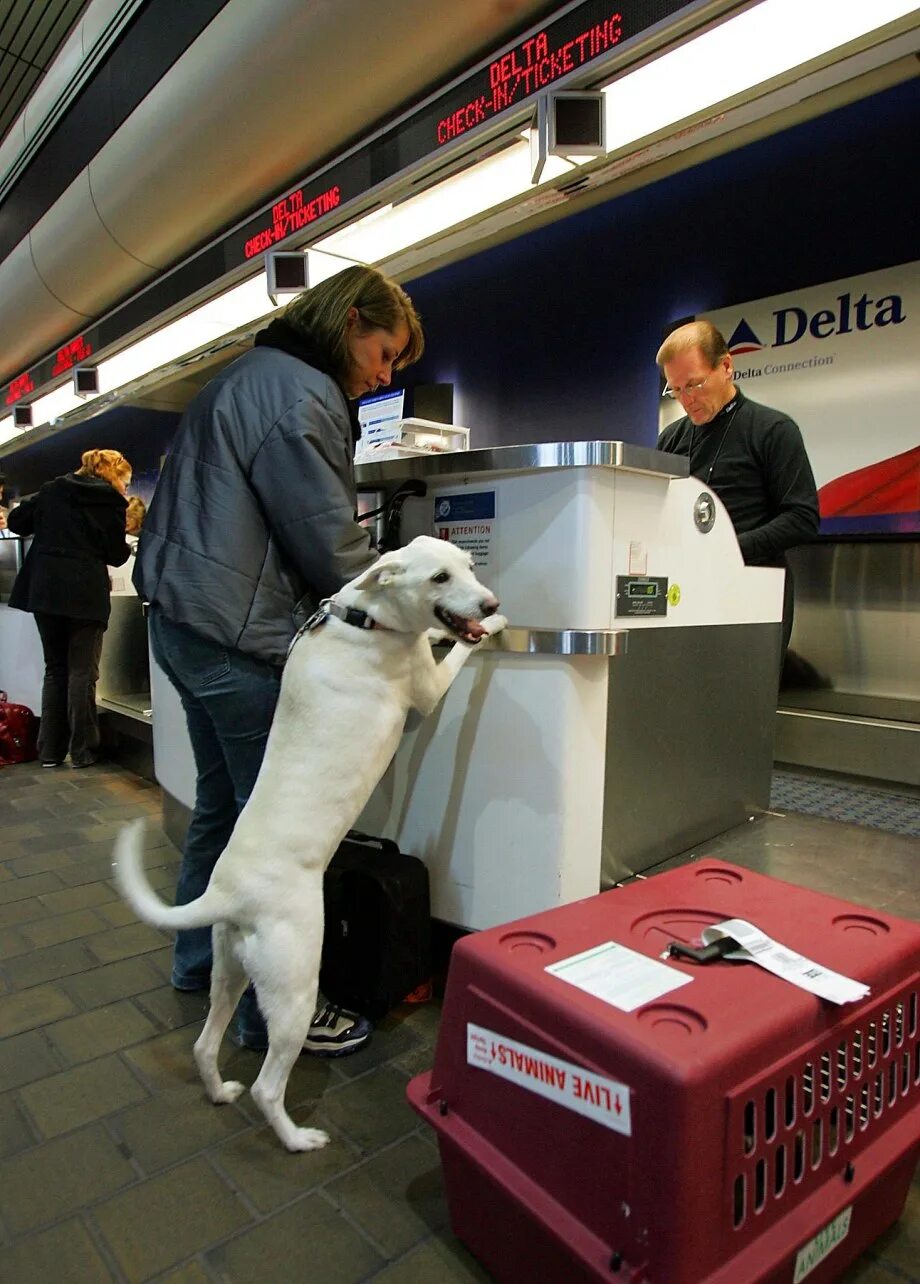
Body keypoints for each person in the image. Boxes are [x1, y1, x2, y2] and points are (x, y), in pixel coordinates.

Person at [135, 264, 424, 1056]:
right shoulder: (303, 394)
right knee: (288, 847)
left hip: (186, 625)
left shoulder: (251, 374)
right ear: (351, 321)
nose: (383, 373)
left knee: (224, 815)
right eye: (386, 352)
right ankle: (274, 1015)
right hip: (236, 636)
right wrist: (408, 599)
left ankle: (197, 965)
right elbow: (329, 541)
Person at [655, 320, 819, 655]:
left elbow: (802, 517)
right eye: (676, 390)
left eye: (695, 384)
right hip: (686, 593)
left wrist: (728, 549)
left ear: (726, 366)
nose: (687, 399)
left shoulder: (773, 429)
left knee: (742, 701)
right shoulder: (670, 440)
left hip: (755, 596)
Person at [7, 449, 132, 767]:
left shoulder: (52, 489)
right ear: (113, 475)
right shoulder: (110, 501)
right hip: (84, 593)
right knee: (82, 672)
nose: (126, 489)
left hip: (45, 590)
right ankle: (83, 750)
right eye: (125, 482)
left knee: (55, 670)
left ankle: (49, 751)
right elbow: (117, 555)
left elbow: (17, 522)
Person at [109, 496, 147, 595]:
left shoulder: (146, 541)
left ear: (138, 517)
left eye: (130, 516)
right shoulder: (112, 538)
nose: (125, 520)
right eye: (123, 515)